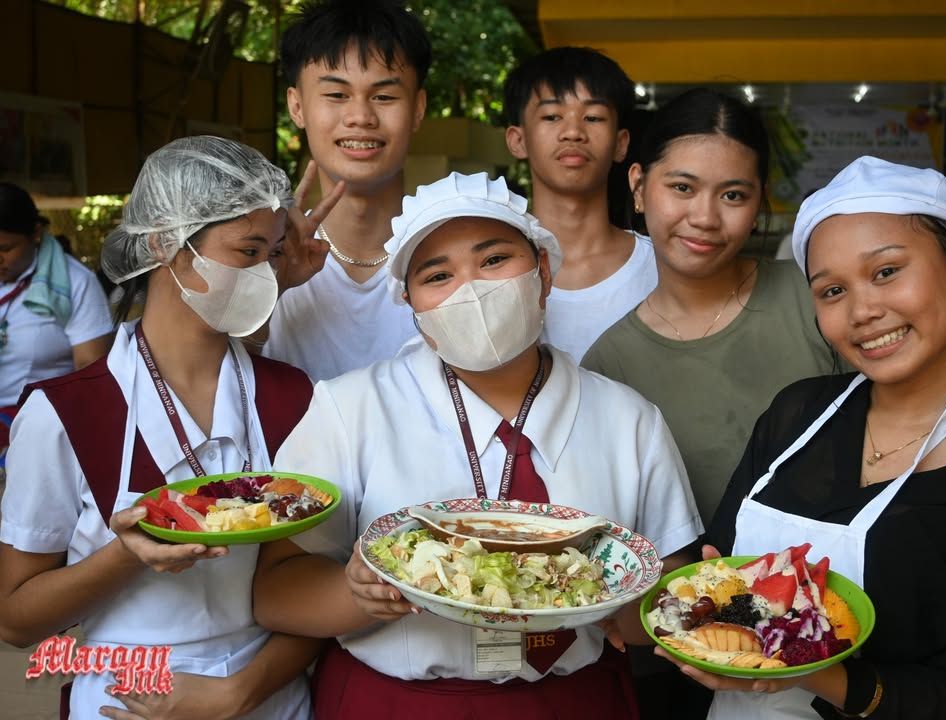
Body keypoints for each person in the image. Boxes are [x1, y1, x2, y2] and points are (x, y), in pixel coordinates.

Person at [252, 171, 702, 719]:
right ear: (412, 303)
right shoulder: (349, 410)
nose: (470, 291)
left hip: (575, 701)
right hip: (397, 705)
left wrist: (658, 606)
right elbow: (274, 592)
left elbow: (663, 604)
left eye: (493, 261)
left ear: (542, 269)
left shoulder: (630, 421)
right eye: (437, 275)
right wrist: (357, 596)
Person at [668, 156, 946, 719]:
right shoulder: (798, 414)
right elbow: (723, 564)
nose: (863, 311)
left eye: (886, 272)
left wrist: (822, 674)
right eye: (831, 291)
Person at [0, 136, 339, 719]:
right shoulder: (67, 414)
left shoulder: (294, 399)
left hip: (269, 695)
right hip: (125, 696)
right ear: (164, 243)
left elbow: (321, 587)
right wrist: (127, 554)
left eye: (275, 254)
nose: (264, 273)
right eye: (247, 251)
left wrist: (239, 692)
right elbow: (14, 619)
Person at [582, 89, 834, 524]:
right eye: (682, 187)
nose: (704, 217)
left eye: (733, 195)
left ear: (759, 203)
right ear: (638, 186)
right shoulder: (609, 362)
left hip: (841, 579)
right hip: (685, 588)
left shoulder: (815, 299)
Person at [259, 0, 431, 381]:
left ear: (418, 109)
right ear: (297, 106)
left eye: (384, 96)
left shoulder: (453, 257)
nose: (360, 117)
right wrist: (270, 286)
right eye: (336, 95)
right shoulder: (264, 260)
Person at [504, 46, 656, 362]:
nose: (573, 132)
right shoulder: (490, 270)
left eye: (593, 117)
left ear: (620, 143)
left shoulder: (663, 268)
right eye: (552, 116)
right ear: (518, 141)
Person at [0, 182, 112, 468]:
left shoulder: (75, 283)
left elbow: (91, 375)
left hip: (39, 426)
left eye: (6, 248)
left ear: (35, 234)